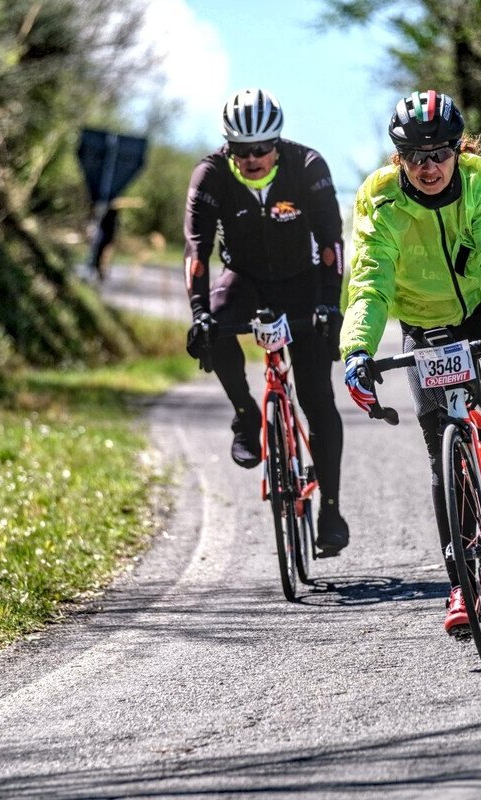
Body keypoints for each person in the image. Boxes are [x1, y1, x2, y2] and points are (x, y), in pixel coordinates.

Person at [340, 89, 481, 631]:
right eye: (415, 155)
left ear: (459, 150)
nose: (428, 166)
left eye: (439, 153)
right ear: (399, 158)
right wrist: (357, 350)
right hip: (425, 320)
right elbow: (370, 281)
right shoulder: (381, 199)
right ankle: (461, 584)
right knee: (443, 450)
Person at [183, 87, 349, 556]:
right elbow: (196, 252)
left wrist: (328, 304)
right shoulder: (211, 174)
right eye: (241, 150)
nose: (252, 159)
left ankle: (331, 510)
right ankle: (245, 414)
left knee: (318, 397)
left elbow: (332, 242)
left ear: (277, 141)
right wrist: (198, 314)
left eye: (261, 148)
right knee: (210, 331)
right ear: (227, 147)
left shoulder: (307, 166)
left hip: (304, 280)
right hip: (246, 278)